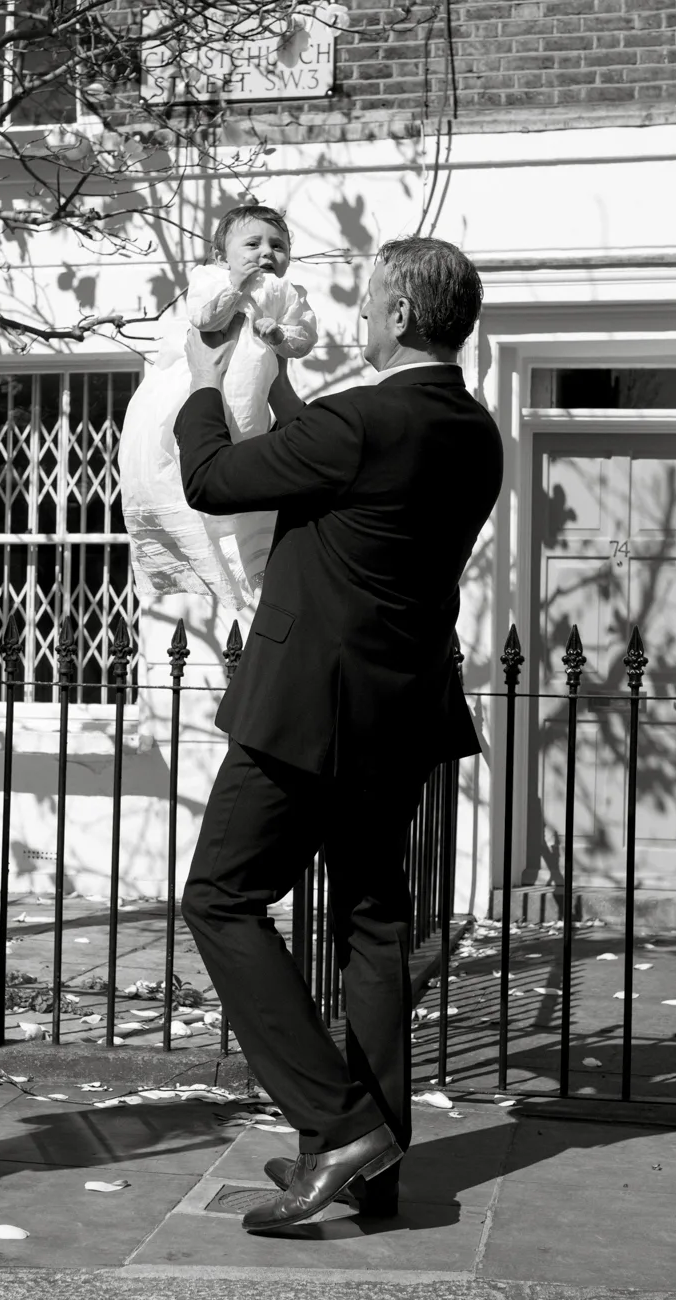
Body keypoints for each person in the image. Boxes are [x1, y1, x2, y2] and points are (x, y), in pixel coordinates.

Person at [176, 236, 503, 1233]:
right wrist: (280, 391)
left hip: (306, 710)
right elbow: (324, 458)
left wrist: (204, 383)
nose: (359, 319)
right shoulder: (475, 433)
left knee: (221, 898)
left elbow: (213, 478)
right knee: (371, 923)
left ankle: (339, 1121)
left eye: (368, 304)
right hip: (396, 714)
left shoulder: (360, 422)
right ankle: (369, 1175)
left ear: (401, 316)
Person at [120, 202, 318, 611]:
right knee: (197, 457)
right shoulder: (211, 279)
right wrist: (235, 286)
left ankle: (241, 556)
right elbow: (205, 318)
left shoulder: (288, 293)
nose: (267, 252)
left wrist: (279, 335)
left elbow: (304, 340)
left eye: (278, 245)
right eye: (252, 243)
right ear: (220, 255)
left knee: (243, 469)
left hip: (252, 397)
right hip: (211, 386)